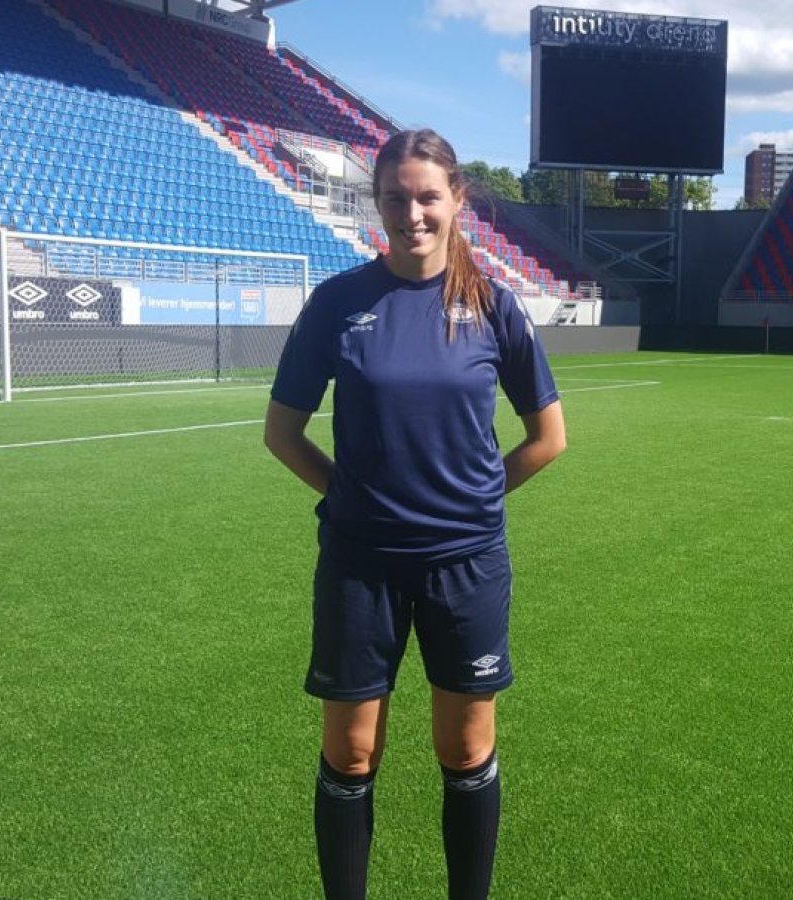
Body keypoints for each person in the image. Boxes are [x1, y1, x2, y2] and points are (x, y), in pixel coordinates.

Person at [263, 128, 567, 900]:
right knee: (353, 751)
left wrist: (471, 501)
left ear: (458, 200)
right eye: (396, 198)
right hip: (360, 565)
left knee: (466, 750)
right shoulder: (337, 302)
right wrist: (348, 498)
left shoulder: (494, 307)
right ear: (379, 204)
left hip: (466, 565)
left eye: (429, 196)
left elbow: (548, 438)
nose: (413, 213)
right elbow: (282, 432)